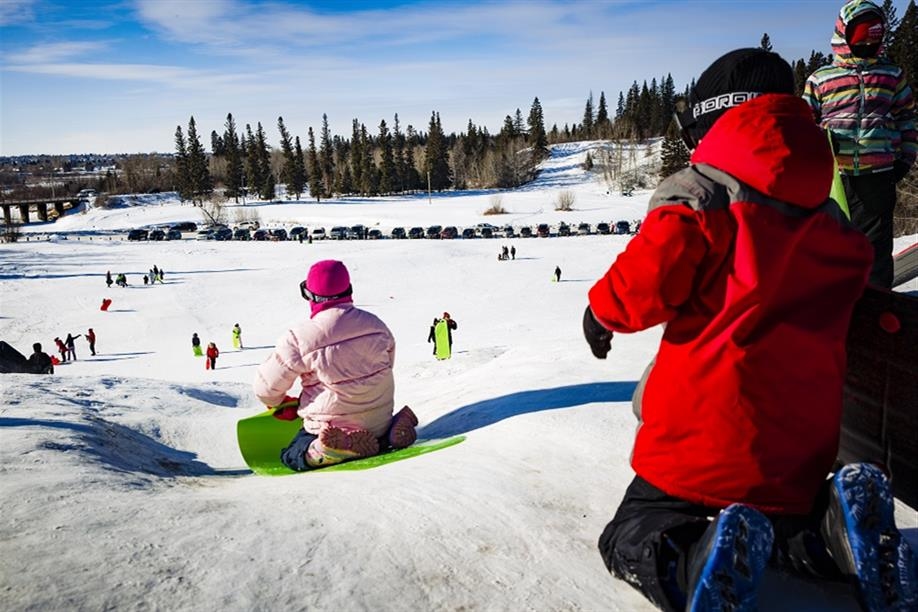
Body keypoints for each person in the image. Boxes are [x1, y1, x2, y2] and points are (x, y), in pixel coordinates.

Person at [584, 48, 915, 612]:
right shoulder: (827, 213)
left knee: (633, 532)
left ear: (713, 122)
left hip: (701, 437)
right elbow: (859, 280)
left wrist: (600, 311)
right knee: (783, 526)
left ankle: (692, 562)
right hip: (802, 447)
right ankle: (832, 532)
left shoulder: (702, 194)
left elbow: (647, 281)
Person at [253, 259, 417, 471]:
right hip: (379, 421)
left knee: (292, 454)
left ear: (310, 295)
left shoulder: (299, 338)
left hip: (330, 427)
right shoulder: (376, 326)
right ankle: (391, 431)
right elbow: (387, 365)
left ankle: (322, 449)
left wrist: (278, 402)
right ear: (349, 289)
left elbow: (265, 388)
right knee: (376, 429)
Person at [803, 0, 916, 288]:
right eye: (861, 40)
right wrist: (813, 161)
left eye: (872, 40)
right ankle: (833, 302)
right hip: (835, 179)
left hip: (878, 175)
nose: (867, 45)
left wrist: (905, 159)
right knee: (831, 243)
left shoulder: (891, 75)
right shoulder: (821, 78)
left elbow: (906, 118)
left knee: (875, 248)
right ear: (844, 36)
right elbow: (805, 124)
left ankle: (877, 305)